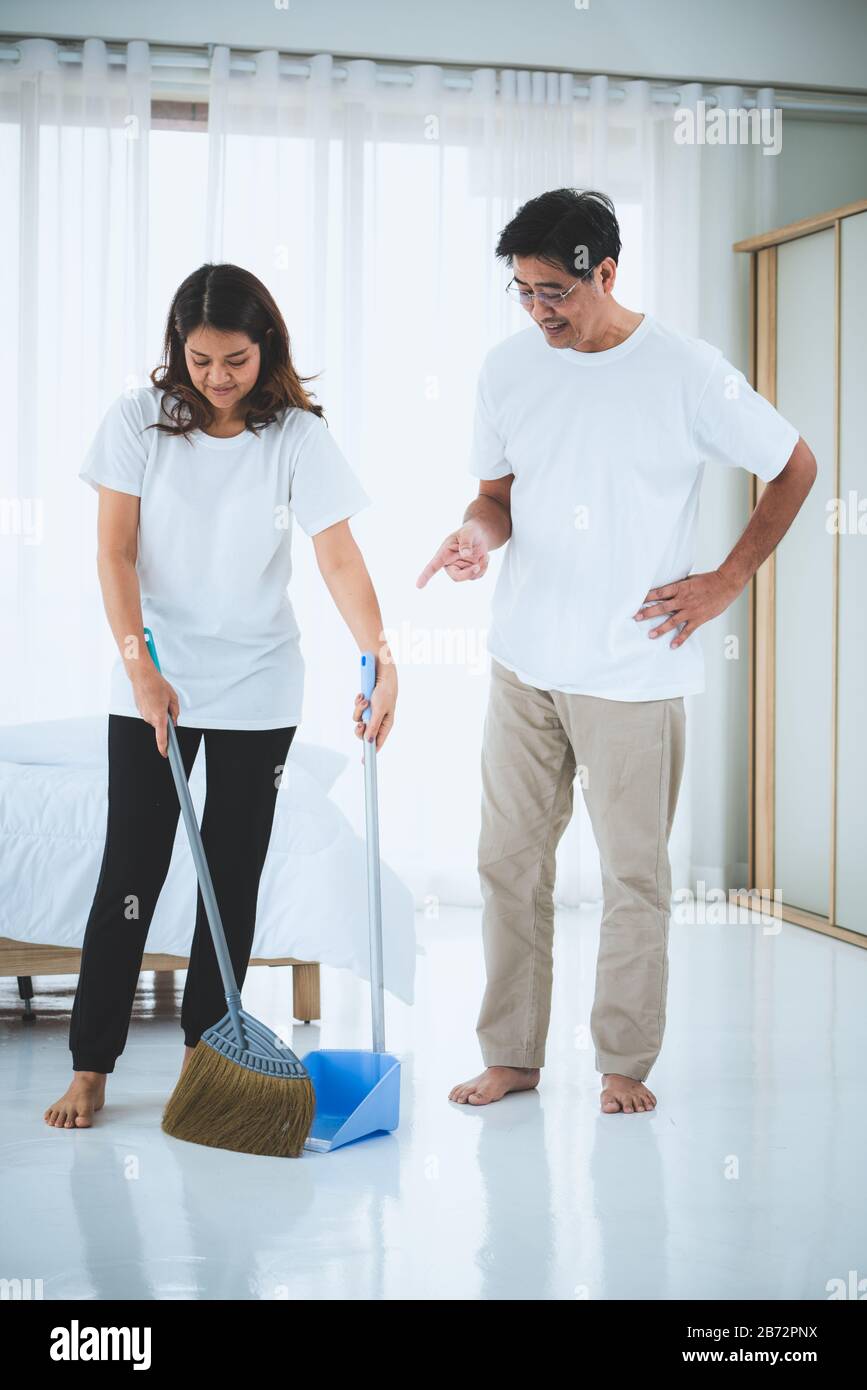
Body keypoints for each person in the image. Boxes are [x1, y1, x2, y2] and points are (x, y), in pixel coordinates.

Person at [417, 188, 816, 1115]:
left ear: (606, 271)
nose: (537, 310)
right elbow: (495, 497)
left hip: (634, 671)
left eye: (553, 289)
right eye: (520, 291)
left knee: (633, 875)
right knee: (507, 863)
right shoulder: (509, 369)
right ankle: (511, 1055)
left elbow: (794, 463)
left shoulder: (685, 371)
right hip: (525, 662)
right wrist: (475, 536)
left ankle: (622, 1064)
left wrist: (728, 578)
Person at [45, 263, 397, 1129]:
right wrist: (140, 666)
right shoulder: (136, 421)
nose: (217, 378)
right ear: (178, 350)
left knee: (229, 873)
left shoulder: (298, 438)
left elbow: (338, 556)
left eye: (235, 360)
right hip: (153, 673)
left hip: (258, 683)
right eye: (200, 360)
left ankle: (211, 1053)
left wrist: (380, 655)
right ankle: (91, 1064)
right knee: (131, 867)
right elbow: (114, 553)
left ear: (266, 346)